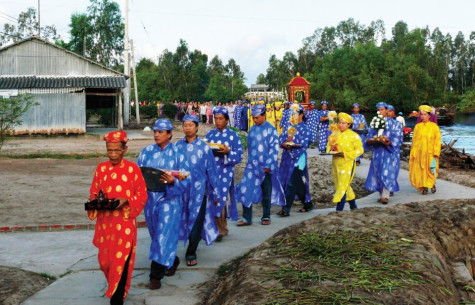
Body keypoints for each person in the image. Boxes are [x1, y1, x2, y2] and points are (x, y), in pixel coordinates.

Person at [88, 131, 148, 305]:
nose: (113, 154)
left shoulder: (133, 169)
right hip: (105, 225)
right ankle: (115, 288)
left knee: (121, 261)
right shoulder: (101, 169)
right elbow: (94, 192)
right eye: (110, 150)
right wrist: (94, 203)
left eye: (117, 150)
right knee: (105, 262)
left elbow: (143, 195)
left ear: (125, 149)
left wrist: (127, 200)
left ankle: (117, 297)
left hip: (125, 224)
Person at [137, 119, 190, 290]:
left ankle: (155, 276)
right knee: (156, 234)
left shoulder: (179, 154)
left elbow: (187, 179)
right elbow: (137, 176)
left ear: (169, 133)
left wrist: (173, 182)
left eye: (160, 131)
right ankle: (172, 259)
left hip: (169, 199)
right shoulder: (146, 152)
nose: (156, 134)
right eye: (155, 131)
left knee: (162, 234)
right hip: (150, 199)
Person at [175, 115, 220, 266]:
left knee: (196, 221)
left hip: (199, 193)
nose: (187, 127)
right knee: (180, 220)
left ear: (196, 127)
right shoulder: (177, 147)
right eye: (185, 125)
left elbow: (212, 170)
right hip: (180, 191)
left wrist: (215, 192)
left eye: (190, 125)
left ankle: (191, 252)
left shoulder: (204, 147)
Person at [235, 104, 285, 226]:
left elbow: (274, 149)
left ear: (264, 115)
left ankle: (266, 216)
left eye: (257, 117)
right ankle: (247, 218)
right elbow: (251, 148)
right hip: (252, 166)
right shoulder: (251, 130)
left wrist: (268, 165)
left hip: (266, 168)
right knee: (246, 189)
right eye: (253, 118)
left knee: (266, 193)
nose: (255, 120)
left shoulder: (271, 129)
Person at [204, 107, 244, 241]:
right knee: (213, 199)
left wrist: (228, 153)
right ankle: (220, 228)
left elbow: (239, 155)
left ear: (227, 120)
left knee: (219, 199)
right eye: (216, 118)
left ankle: (220, 230)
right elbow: (204, 151)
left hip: (225, 172)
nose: (218, 121)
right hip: (211, 172)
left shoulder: (233, 136)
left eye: (221, 118)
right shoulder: (210, 135)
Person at [364, 102, 403, 204]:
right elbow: (369, 136)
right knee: (378, 173)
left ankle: (386, 196)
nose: (380, 112)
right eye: (378, 110)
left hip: (390, 153)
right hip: (378, 152)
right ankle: (381, 195)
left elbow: (398, 138)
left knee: (388, 172)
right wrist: (370, 140)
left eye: (382, 109)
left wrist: (388, 142)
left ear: (386, 110)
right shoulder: (374, 123)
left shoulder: (396, 124)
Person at [277, 104, 312, 216]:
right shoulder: (288, 126)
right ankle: (308, 204)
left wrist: (292, 143)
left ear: (302, 114)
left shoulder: (305, 128)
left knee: (292, 182)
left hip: (300, 159)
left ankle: (286, 208)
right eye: (293, 113)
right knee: (296, 182)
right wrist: (285, 143)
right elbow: (280, 140)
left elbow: (304, 145)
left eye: (296, 113)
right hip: (287, 158)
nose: (294, 116)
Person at [328, 113, 364, 211]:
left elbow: (360, 150)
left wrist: (346, 154)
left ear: (349, 125)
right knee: (342, 185)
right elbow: (329, 146)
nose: (341, 125)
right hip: (336, 163)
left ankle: (339, 209)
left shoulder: (354, 136)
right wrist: (331, 149)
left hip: (347, 163)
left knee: (342, 185)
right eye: (340, 122)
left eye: (344, 123)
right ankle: (353, 206)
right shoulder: (334, 134)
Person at [409, 105, 441, 195]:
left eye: (425, 114)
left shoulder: (434, 127)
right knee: (421, 170)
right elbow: (414, 141)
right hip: (420, 152)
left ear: (429, 116)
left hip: (430, 153)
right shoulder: (417, 127)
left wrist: (436, 152)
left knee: (431, 170)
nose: (423, 116)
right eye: (421, 114)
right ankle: (425, 187)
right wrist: (413, 152)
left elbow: (437, 140)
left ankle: (432, 184)